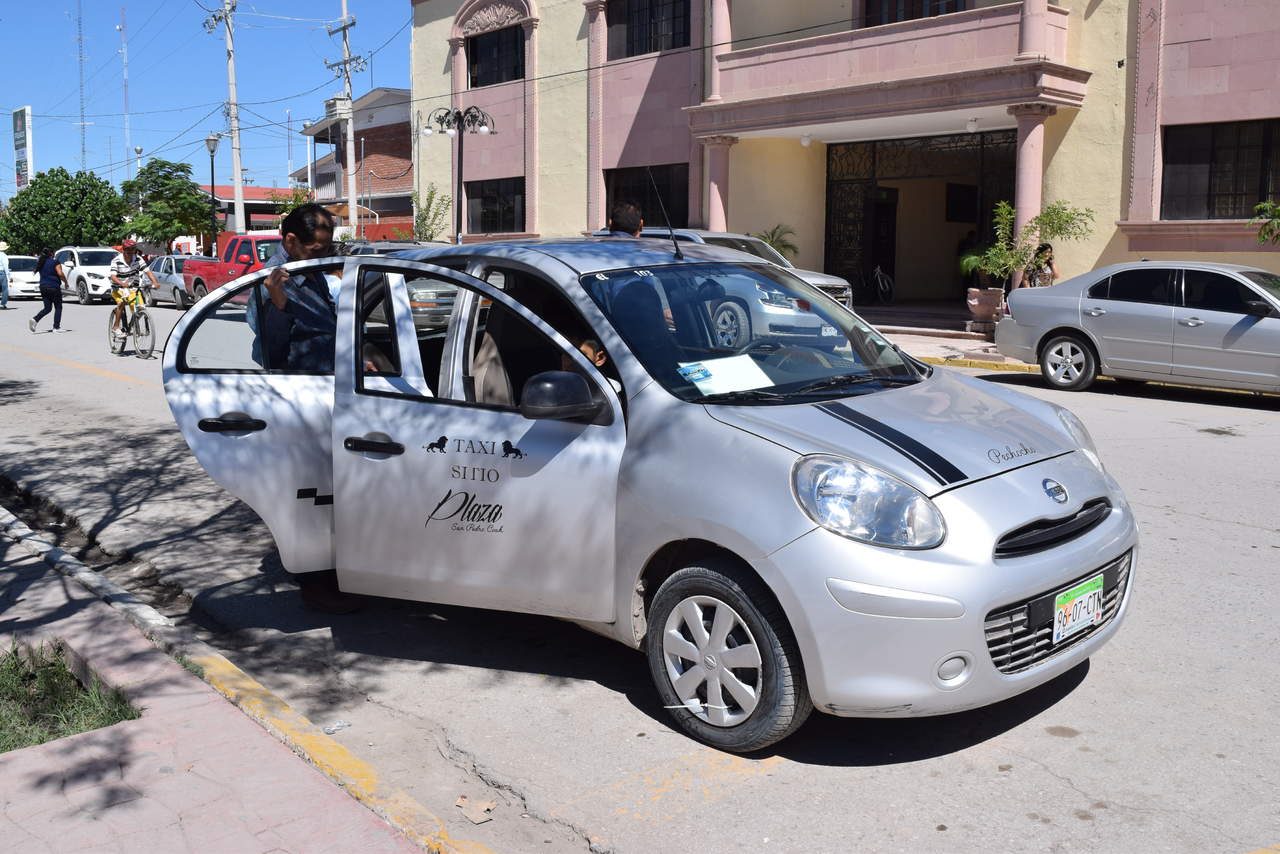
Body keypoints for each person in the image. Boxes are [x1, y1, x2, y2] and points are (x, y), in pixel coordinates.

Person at [246, 202, 338, 372]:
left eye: (328, 249)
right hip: (300, 383)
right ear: (291, 241)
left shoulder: (308, 264)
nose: (324, 257)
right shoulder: (275, 281)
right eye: (317, 250)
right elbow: (268, 345)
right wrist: (280, 306)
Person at [109, 239, 160, 341]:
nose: (130, 253)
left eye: (132, 250)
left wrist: (155, 282)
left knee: (140, 307)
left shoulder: (138, 259)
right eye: (128, 250)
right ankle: (116, 327)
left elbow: (148, 271)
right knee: (122, 303)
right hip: (118, 287)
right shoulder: (116, 261)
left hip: (133, 287)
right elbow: (113, 276)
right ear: (123, 250)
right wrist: (122, 283)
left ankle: (133, 323)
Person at [29, 248, 68, 333]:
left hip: (43, 287)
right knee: (58, 307)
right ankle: (56, 327)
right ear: (51, 253)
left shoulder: (41, 262)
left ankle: (35, 319)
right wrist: (65, 282)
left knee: (47, 308)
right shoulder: (55, 262)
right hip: (53, 287)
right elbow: (60, 273)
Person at [0, 241, 10, 310]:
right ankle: (2, 304)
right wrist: (8, 276)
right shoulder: (4, 256)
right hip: (2, 273)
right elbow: (5, 266)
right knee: (5, 290)